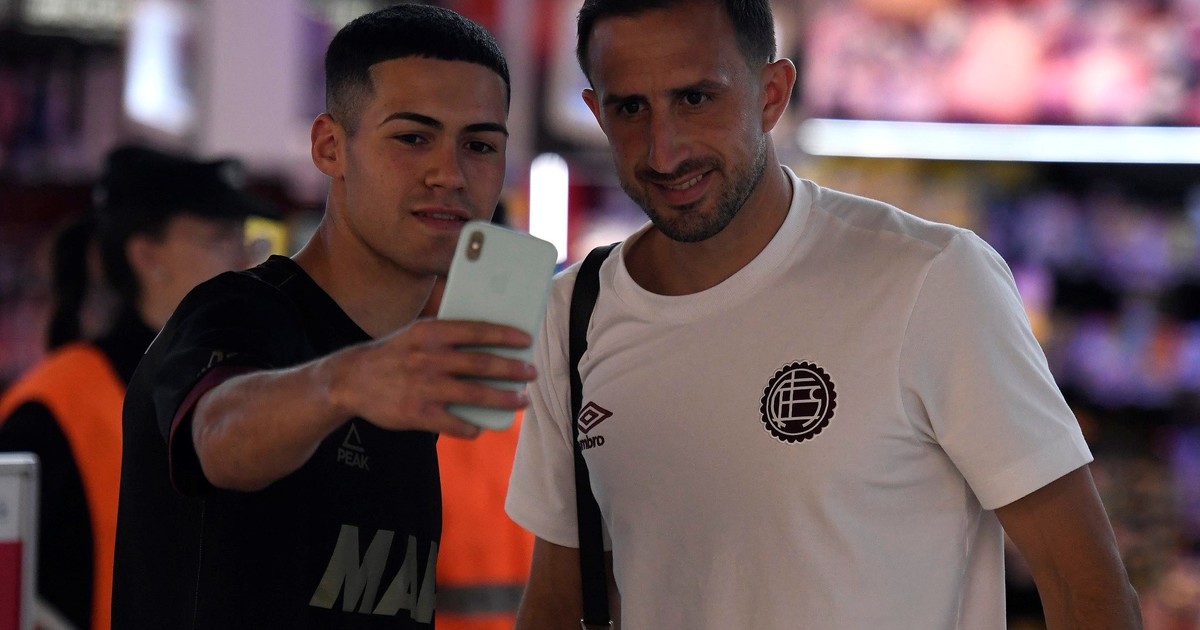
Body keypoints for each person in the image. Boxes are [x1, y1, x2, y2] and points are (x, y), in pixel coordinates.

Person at [504, 1, 1144, 629]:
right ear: (596, 112)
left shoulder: (931, 278)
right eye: (630, 108)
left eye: (695, 99)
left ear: (772, 94)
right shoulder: (574, 312)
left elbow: (1085, 586)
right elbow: (559, 601)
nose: (663, 150)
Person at [110, 5, 531, 629]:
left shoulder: (405, 365)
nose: (450, 174)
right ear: (331, 147)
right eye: (412, 138)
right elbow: (217, 436)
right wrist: (346, 382)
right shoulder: (239, 310)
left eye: (479, 145)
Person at [0, 143, 270, 630]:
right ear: (147, 256)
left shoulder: (241, 388)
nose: (244, 258)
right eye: (220, 238)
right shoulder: (55, 404)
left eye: (245, 239)